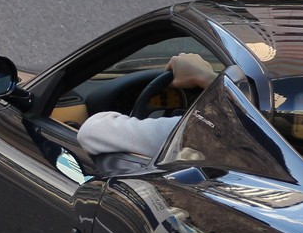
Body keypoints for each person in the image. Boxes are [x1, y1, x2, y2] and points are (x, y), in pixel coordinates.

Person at [77, 52, 217, 158]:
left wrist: (206, 77)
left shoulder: (201, 131)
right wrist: (211, 81)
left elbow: (91, 132)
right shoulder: (232, 132)